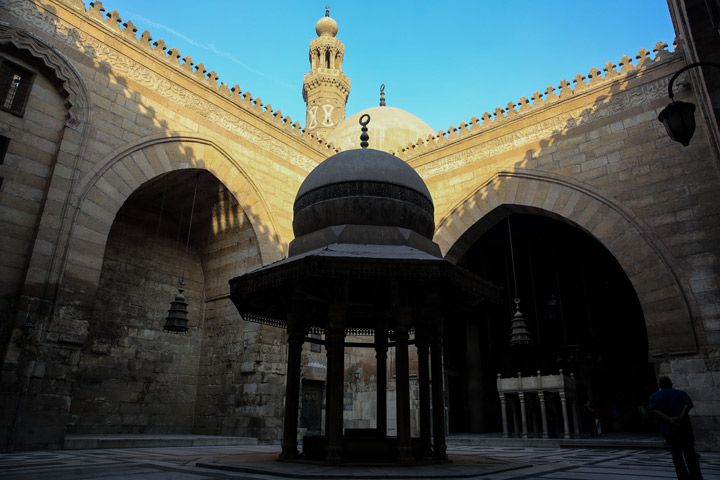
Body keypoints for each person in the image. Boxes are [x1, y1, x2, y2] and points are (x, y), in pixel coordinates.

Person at [649, 376, 704, 480]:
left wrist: (669, 419)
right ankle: (696, 476)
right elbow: (687, 404)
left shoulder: (654, 396)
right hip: (684, 427)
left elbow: (654, 410)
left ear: (660, 385)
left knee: (676, 454)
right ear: (671, 384)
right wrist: (680, 417)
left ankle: (682, 477)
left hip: (668, 429)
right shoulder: (680, 394)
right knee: (690, 453)